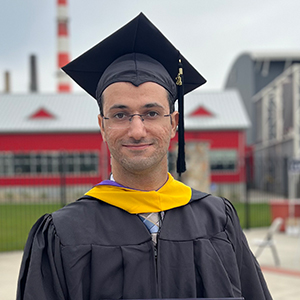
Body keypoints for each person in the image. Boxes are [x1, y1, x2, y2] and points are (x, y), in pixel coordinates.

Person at [17, 13, 272, 300]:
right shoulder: (63, 234)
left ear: (174, 123)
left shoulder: (217, 220)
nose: (137, 130)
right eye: (120, 115)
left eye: (151, 113)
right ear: (102, 126)